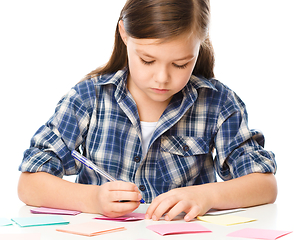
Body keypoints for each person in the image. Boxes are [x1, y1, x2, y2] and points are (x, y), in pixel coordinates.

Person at [18, 0, 277, 222]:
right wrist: (93, 199)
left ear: (200, 45)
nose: (162, 78)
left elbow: (265, 186)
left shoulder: (218, 103)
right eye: (147, 60)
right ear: (124, 33)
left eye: (180, 64)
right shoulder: (88, 98)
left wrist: (207, 195)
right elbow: (29, 185)